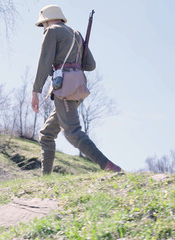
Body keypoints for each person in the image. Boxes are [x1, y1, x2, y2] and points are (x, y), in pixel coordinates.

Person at [31, 5, 122, 174]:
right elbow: (90, 65)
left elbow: (44, 63)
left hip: (64, 87)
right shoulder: (76, 34)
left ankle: (109, 167)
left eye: (42, 23)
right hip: (78, 86)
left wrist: (35, 91)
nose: (43, 27)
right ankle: (46, 178)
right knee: (46, 134)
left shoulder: (52, 31)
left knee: (72, 132)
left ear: (47, 20)